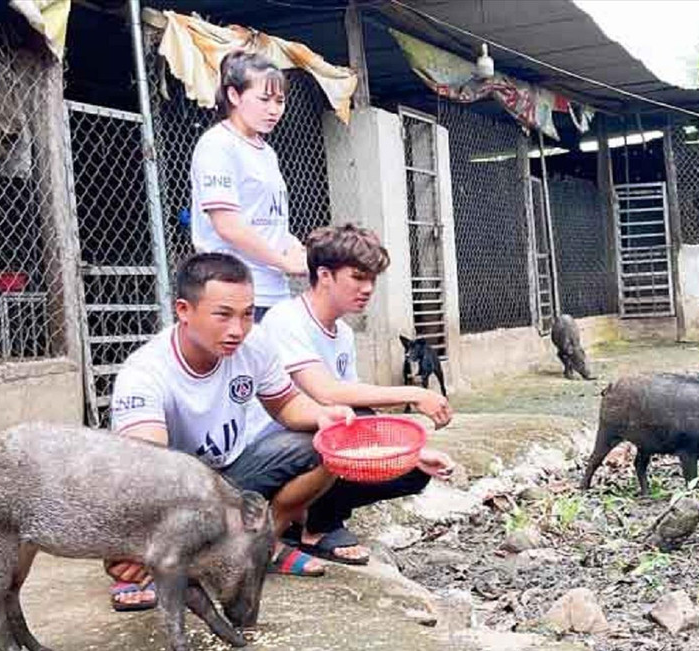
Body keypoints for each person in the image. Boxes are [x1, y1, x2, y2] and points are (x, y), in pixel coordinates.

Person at [105, 253, 363, 611]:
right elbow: (148, 470)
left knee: (324, 444)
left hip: (233, 477)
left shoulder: (254, 345)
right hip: (174, 491)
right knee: (133, 531)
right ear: (183, 310)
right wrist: (150, 539)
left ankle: (263, 544)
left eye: (246, 314)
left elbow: (287, 404)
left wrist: (324, 416)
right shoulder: (145, 373)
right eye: (223, 315)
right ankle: (170, 557)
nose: (237, 329)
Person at [246, 224, 456, 566]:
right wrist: (414, 394)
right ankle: (318, 525)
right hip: (273, 448)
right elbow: (326, 392)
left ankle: (309, 516)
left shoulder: (341, 332)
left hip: (315, 437)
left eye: (372, 279)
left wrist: (415, 451)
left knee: (413, 466)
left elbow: (355, 400)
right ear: (325, 275)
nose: (368, 288)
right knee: (348, 424)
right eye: (358, 277)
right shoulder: (287, 320)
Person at [190, 50, 306, 321]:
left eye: (280, 101)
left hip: (273, 291)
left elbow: (267, 221)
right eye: (264, 99)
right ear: (234, 96)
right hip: (233, 292)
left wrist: (295, 247)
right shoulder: (218, 145)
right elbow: (228, 226)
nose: (274, 109)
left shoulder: (266, 152)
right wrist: (284, 262)